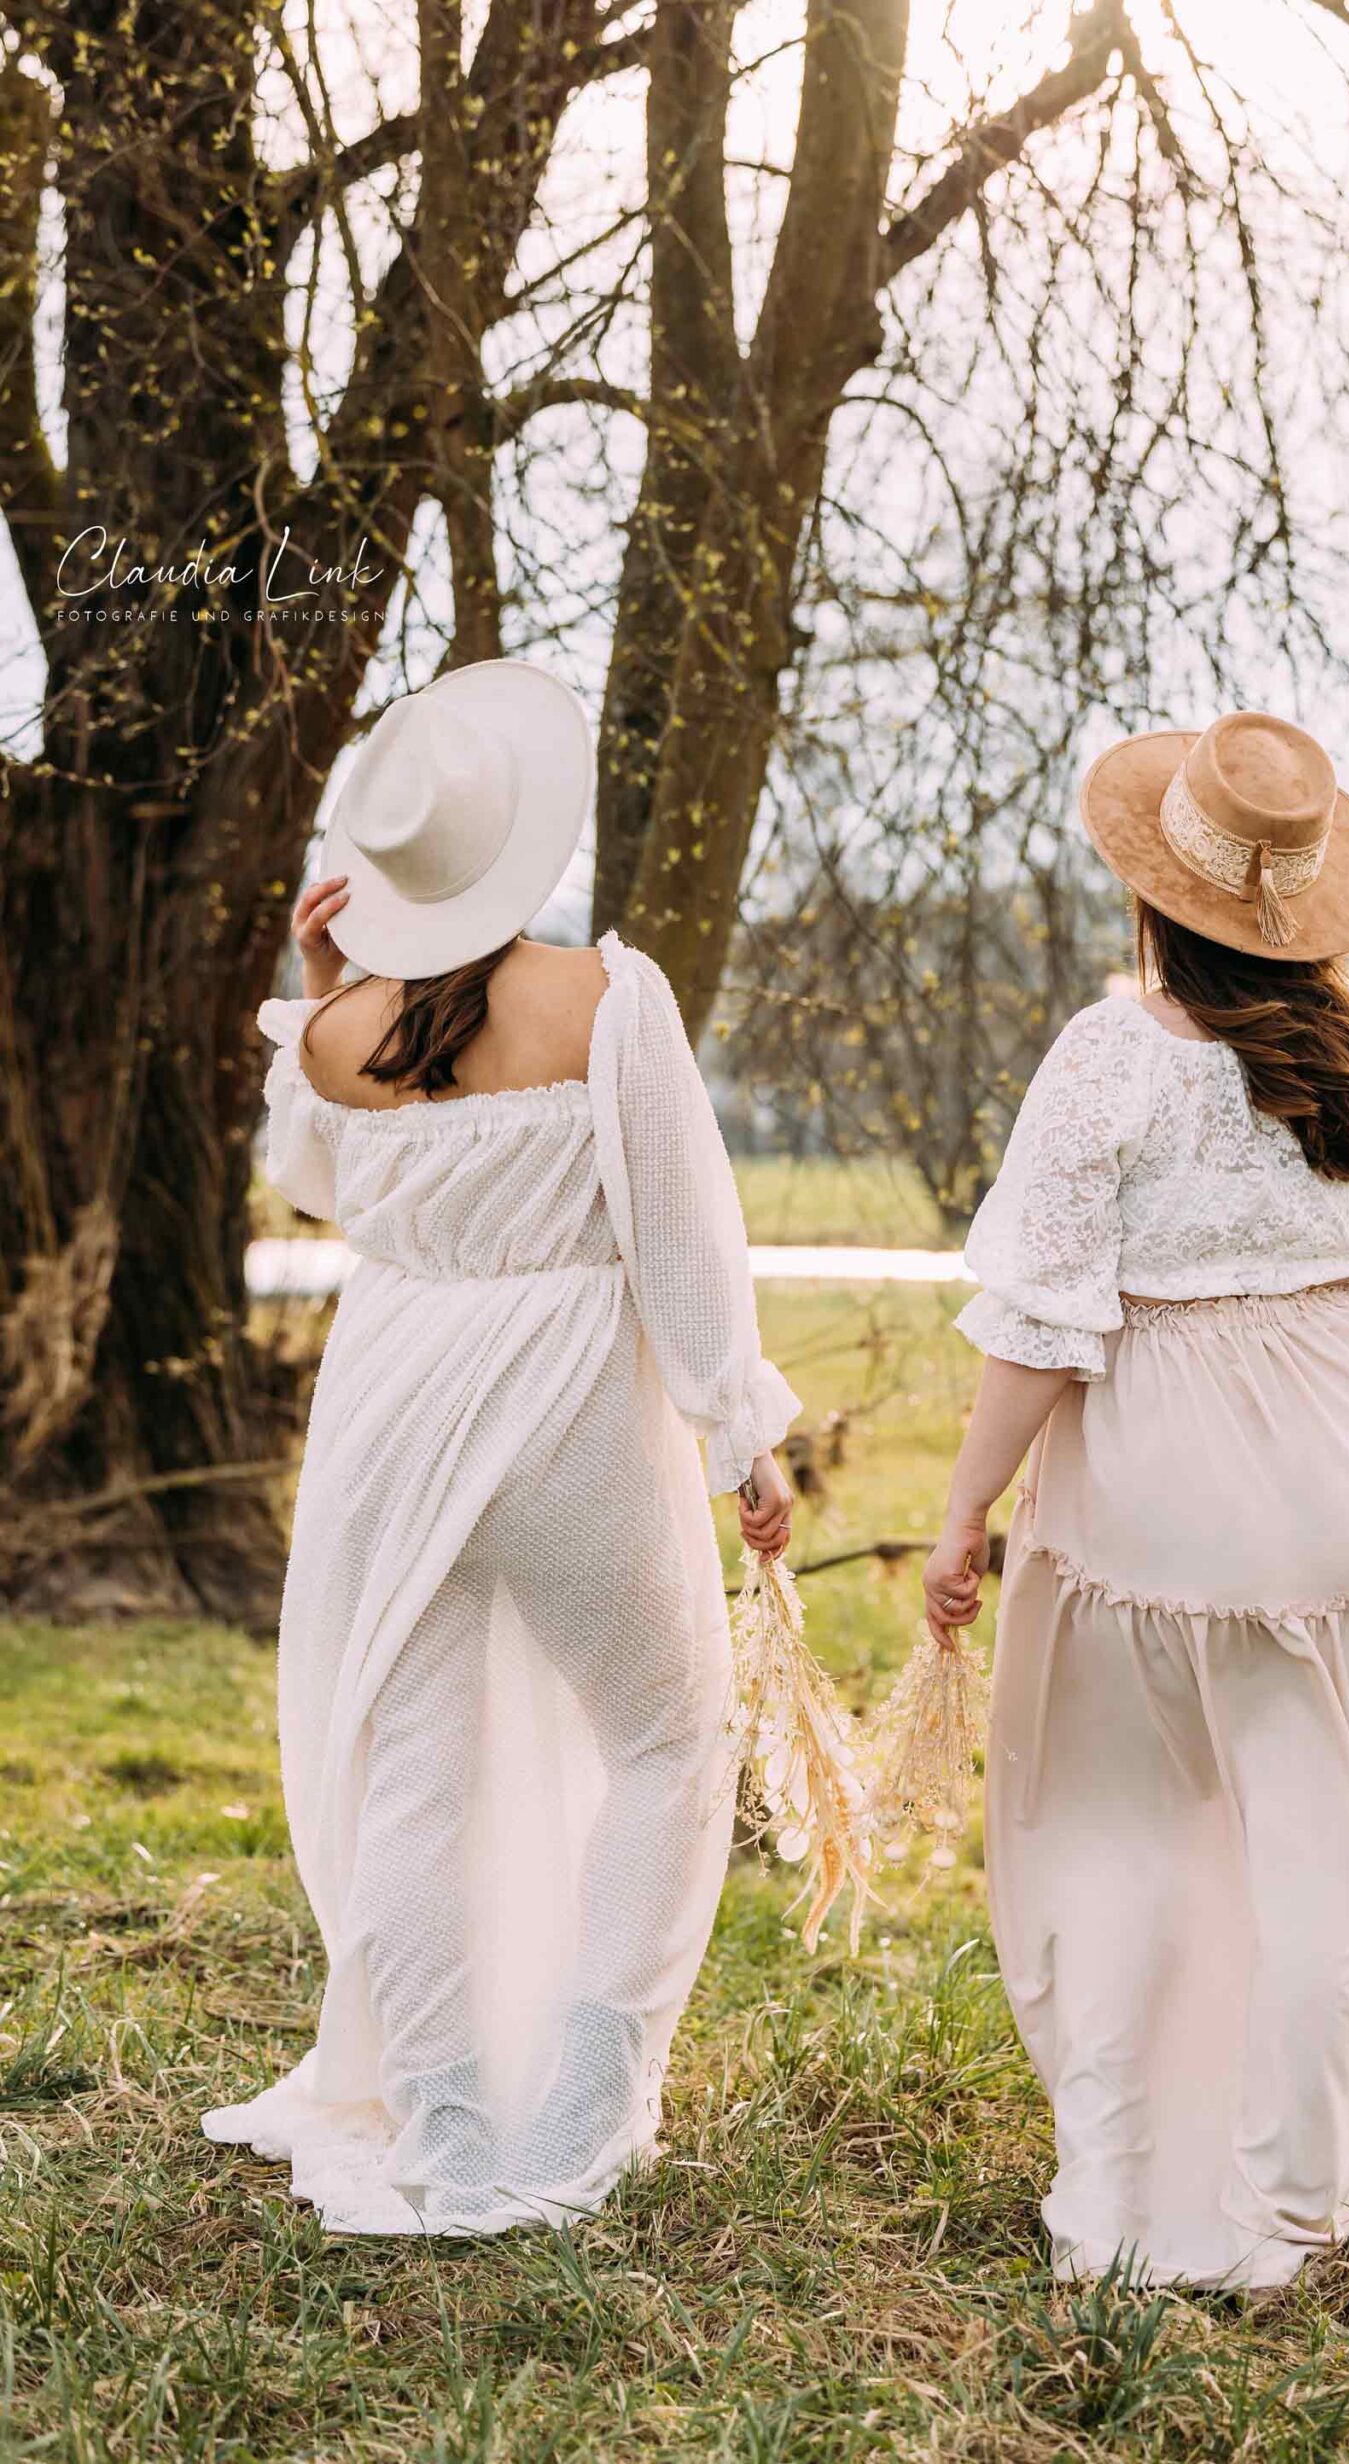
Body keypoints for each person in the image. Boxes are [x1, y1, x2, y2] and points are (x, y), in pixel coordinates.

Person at [921, 712, 1349, 2295]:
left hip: (1162, 1494)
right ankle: (1301, 2170)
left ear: (1152, 897)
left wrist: (966, 1514)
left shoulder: (1107, 1057)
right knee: (1331, 1854)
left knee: (1131, 1836)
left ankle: (1153, 2159)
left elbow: (1041, 1324)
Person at [203, 660, 796, 2235]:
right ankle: (582, 2105)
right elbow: (681, 1230)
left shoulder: (333, 1034)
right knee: (667, 1737)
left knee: (415, 1775)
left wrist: (326, 979)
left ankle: (451, 2125)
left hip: (391, 1408)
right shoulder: (608, 999)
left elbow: (316, 1187)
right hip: (564, 1398)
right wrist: (739, 1432)